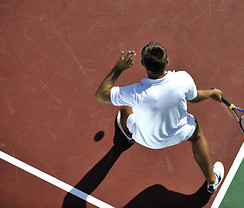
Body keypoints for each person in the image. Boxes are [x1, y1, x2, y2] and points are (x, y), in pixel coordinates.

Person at [95, 41, 224, 193]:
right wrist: (212, 93)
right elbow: (194, 98)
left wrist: (119, 68)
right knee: (197, 134)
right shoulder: (183, 79)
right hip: (178, 134)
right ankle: (212, 181)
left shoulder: (135, 93)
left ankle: (129, 136)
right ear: (167, 61)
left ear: (142, 63)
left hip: (144, 139)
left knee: (125, 109)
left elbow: (101, 95)